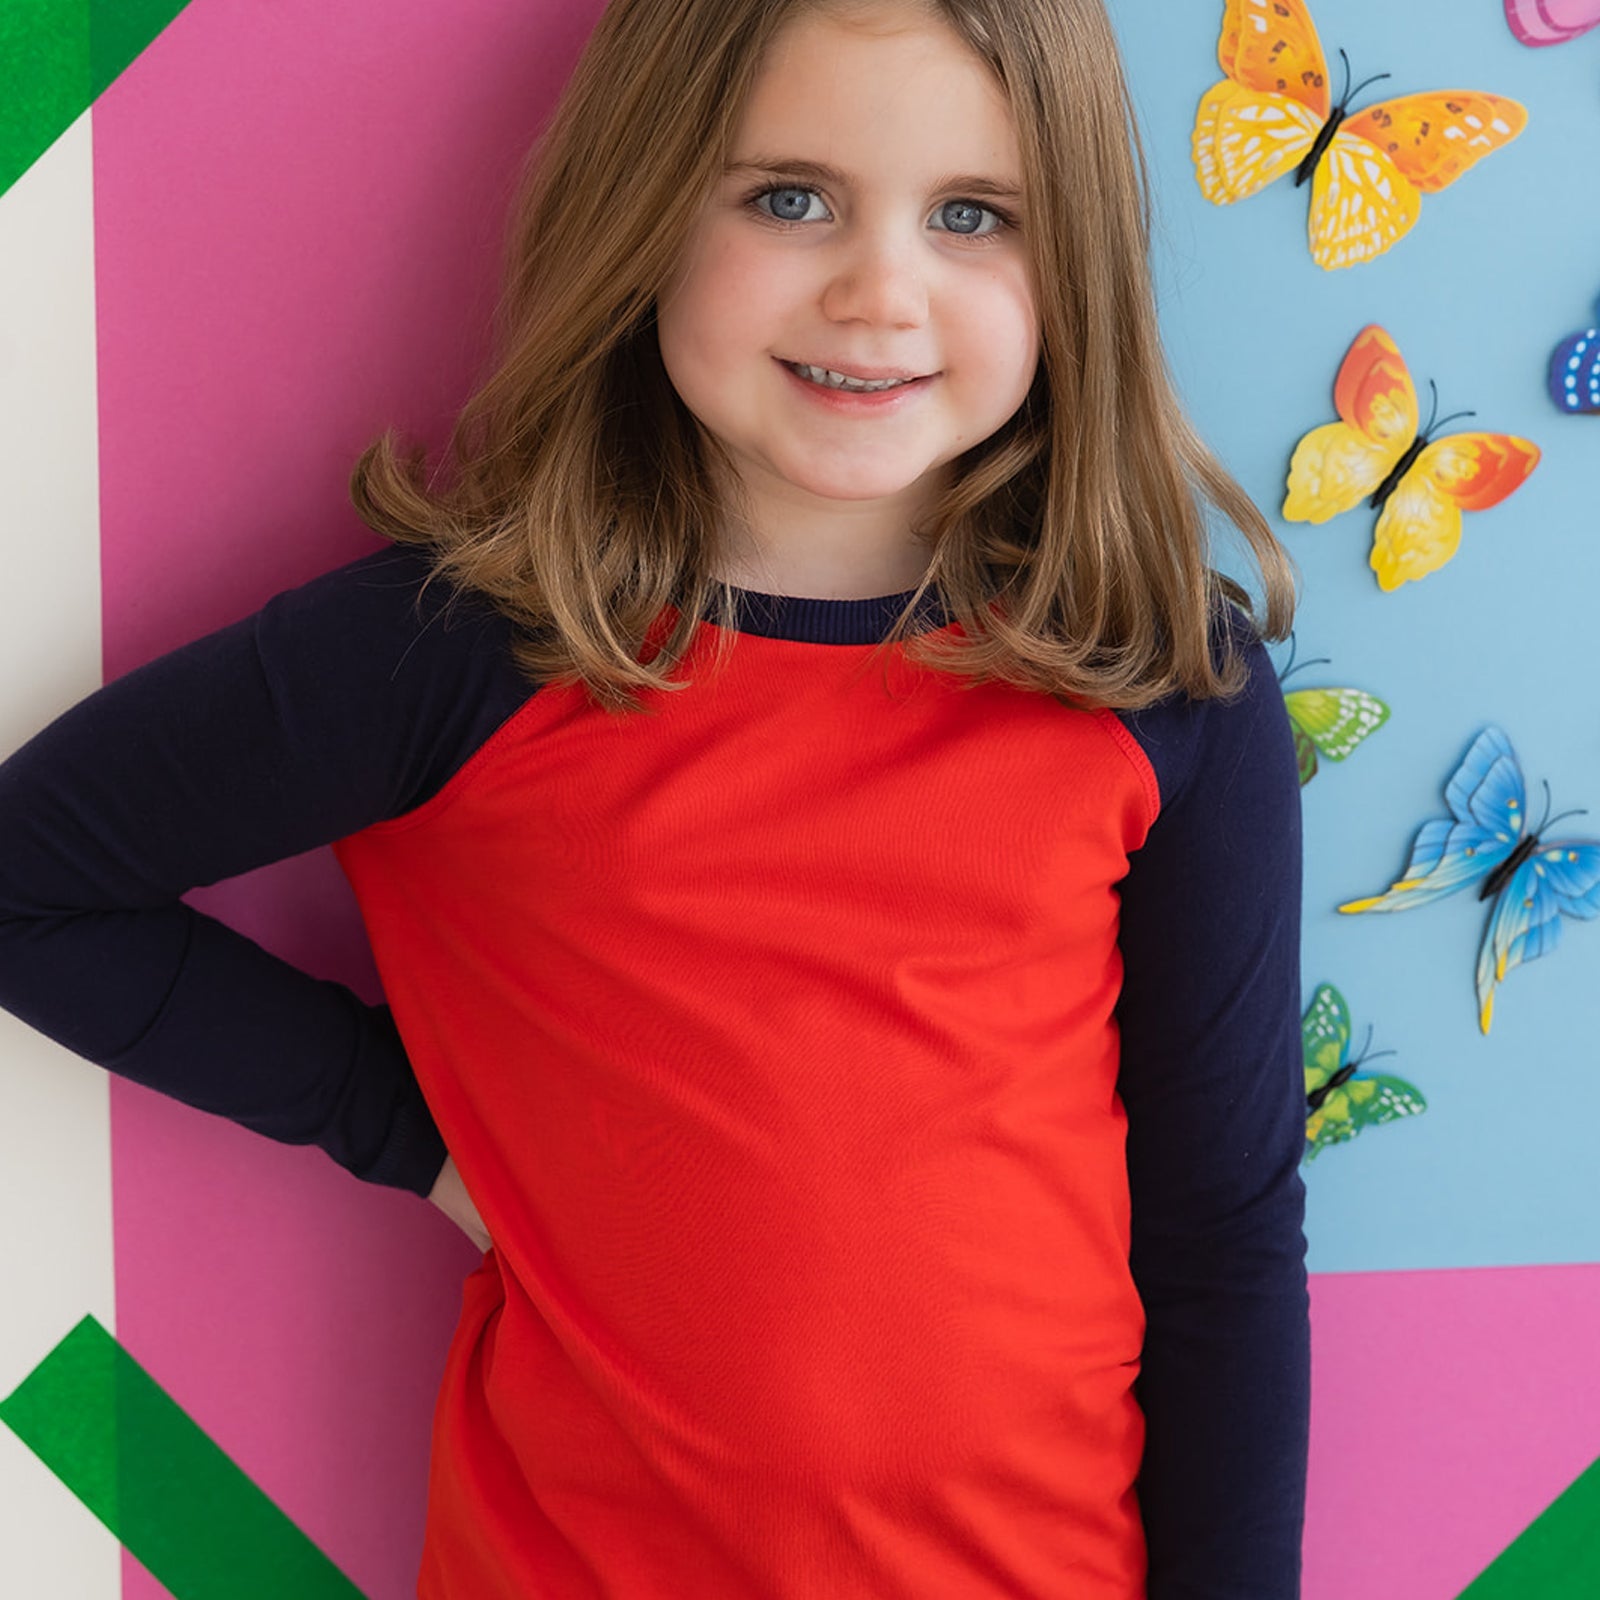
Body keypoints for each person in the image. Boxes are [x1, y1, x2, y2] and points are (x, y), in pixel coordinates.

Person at [0, 0, 1309, 1595]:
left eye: (974, 216)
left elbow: (1224, 1241)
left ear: (1078, 263)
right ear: (650, 204)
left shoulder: (1166, 680)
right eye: (789, 196)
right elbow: (29, 882)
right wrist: (424, 1140)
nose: (878, 291)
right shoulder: (460, 651)